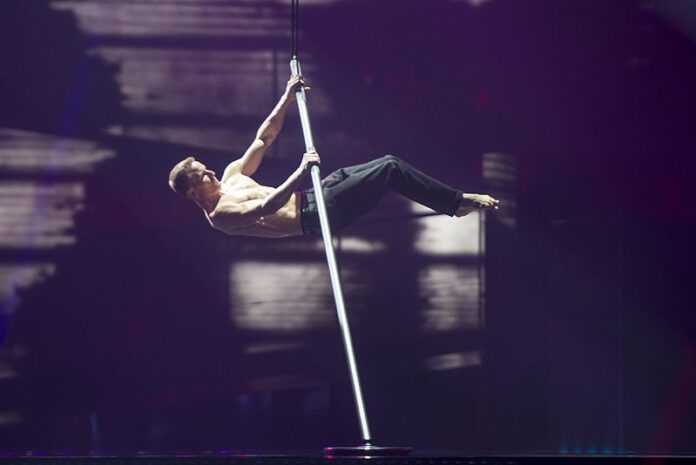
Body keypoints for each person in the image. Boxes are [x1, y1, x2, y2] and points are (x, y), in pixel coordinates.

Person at [168, 76, 499, 238]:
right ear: (193, 193)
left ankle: (453, 203)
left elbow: (264, 138)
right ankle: (456, 204)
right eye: (202, 176)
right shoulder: (221, 215)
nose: (210, 172)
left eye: (204, 168)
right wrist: (300, 170)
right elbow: (265, 207)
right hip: (318, 216)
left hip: (315, 193)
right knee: (390, 169)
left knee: (386, 162)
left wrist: (287, 96)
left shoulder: (231, 176)